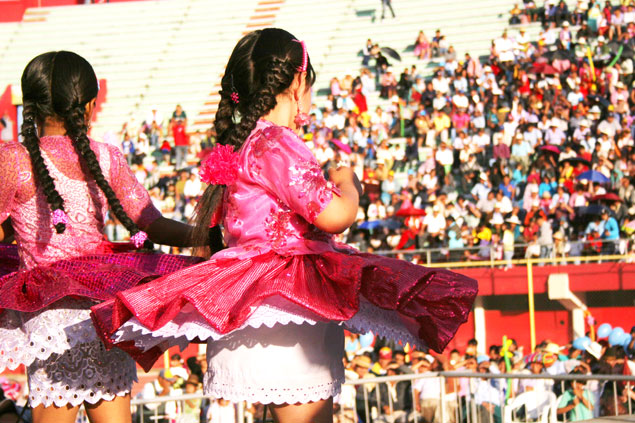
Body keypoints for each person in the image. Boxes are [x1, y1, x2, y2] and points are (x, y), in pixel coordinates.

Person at [91, 29, 477, 423]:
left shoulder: (241, 144)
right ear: (296, 82)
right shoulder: (277, 142)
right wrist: (349, 184)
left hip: (250, 296)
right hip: (290, 300)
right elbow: (333, 215)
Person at [0, 51, 206, 423]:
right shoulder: (106, 157)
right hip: (105, 310)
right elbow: (151, 223)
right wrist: (206, 234)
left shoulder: (13, 160)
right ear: (91, 105)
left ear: (29, 105)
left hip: (51, 320)